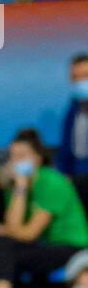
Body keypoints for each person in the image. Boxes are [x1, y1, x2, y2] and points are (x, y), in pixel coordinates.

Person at [0, 129, 88, 288]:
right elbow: (13, 228)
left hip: (71, 247)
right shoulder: (15, 187)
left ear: (38, 158)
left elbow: (28, 233)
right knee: (0, 246)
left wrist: (3, 229)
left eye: (22, 156)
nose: (15, 162)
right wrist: (20, 189)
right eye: (12, 156)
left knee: (4, 245)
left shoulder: (53, 182)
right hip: (43, 247)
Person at [56, 54, 88, 214]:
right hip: (76, 181)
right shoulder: (72, 109)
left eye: (86, 76)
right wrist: (63, 177)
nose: (81, 82)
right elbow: (66, 149)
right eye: (76, 77)